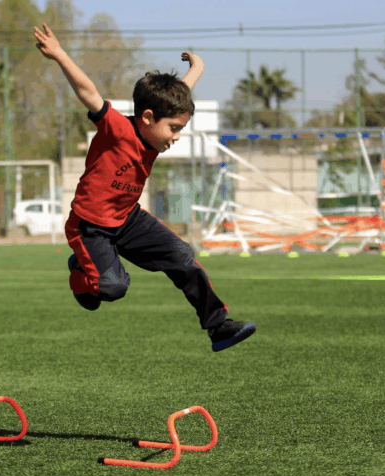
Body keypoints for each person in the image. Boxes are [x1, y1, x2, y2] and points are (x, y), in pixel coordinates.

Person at [33, 23, 255, 352]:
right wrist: (60, 55)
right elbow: (89, 92)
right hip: (90, 226)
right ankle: (81, 270)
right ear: (147, 118)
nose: (176, 137)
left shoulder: (155, 131)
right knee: (112, 288)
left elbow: (175, 97)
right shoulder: (116, 128)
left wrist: (198, 69)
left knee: (183, 257)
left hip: (128, 219)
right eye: (174, 129)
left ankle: (218, 327)